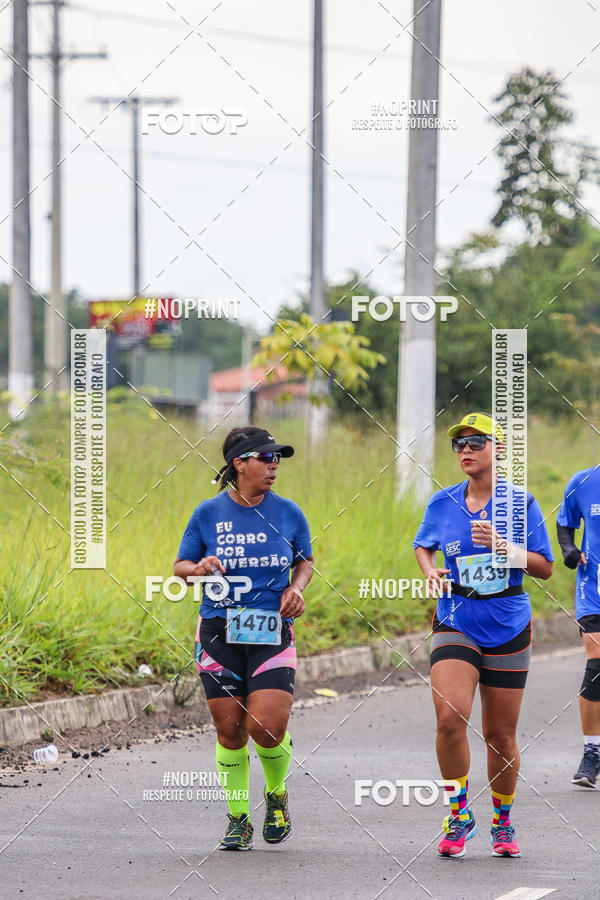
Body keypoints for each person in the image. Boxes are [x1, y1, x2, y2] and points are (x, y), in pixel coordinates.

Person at [413, 412, 553, 859]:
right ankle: (458, 814)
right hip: (456, 617)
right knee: (449, 717)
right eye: (459, 444)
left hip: (508, 623)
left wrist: (505, 548)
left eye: (476, 442)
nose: (466, 450)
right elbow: (423, 545)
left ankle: (502, 821)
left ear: (498, 449)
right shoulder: (442, 503)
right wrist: (430, 569)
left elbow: (545, 567)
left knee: (499, 735)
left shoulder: (520, 503)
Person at [174, 426, 314, 850]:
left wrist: (297, 588)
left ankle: (276, 795)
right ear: (240, 463)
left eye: (278, 458)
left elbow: (305, 560)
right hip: (218, 629)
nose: (274, 465)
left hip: (272, 629)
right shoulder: (207, 513)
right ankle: (238, 819)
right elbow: (180, 565)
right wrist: (197, 570)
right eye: (266, 458)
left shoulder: (289, 511)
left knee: (267, 729)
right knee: (230, 730)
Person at [556, 465, 600, 788]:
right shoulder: (582, 481)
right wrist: (570, 551)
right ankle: (592, 751)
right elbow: (564, 524)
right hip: (593, 591)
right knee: (597, 663)